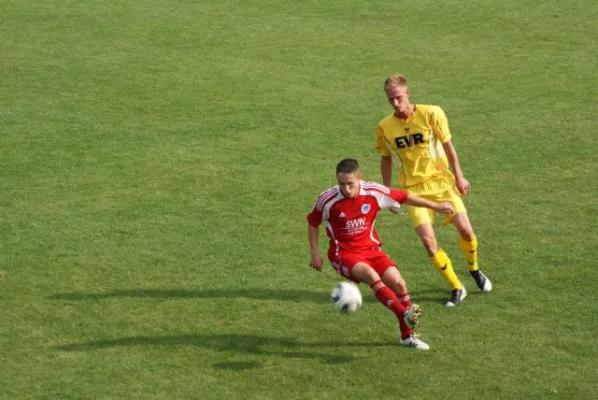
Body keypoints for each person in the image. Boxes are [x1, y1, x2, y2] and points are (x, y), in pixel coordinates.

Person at [307, 158, 455, 350]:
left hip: (371, 250)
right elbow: (312, 222)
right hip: (343, 254)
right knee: (371, 275)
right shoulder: (328, 199)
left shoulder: (373, 192)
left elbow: (404, 196)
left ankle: (407, 336)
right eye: (341, 184)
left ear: (360, 178)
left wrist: (436, 206)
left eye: (350, 184)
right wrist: (314, 253)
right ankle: (403, 314)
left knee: (399, 283)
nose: (346, 189)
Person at [376, 74, 492, 307]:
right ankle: (456, 287)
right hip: (413, 190)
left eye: (399, 98)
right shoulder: (384, 127)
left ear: (408, 93)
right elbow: (385, 158)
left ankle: (474, 269)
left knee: (467, 231)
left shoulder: (431, 113)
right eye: (391, 100)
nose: (395, 103)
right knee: (428, 242)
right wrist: (387, 192)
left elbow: (448, 146)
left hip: (442, 183)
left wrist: (459, 176)